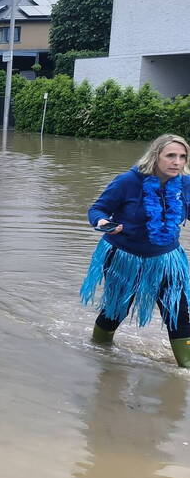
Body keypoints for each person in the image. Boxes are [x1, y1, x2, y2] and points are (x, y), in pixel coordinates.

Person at [80, 134, 190, 367]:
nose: (177, 162)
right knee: (115, 313)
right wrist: (103, 223)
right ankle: (99, 355)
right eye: (171, 155)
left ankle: (186, 370)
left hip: (166, 259)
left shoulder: (185, 184)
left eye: (182, 157)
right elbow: (98, 210)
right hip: (125, 258)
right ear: (155, 156)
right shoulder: (127, 181)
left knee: (179, 313)